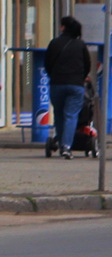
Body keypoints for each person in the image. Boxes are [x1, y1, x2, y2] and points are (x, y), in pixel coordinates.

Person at [44, 15, 91, 160]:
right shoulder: (80, 45)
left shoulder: (54, 43)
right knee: (71, 115)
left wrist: (54, 75)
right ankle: (66, 146)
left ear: (64, 27)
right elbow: (87, 64)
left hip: (57, 84)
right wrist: (82, 76)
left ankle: (60, 141)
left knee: (59, 114)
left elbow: (48, 63)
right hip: (75, 85)